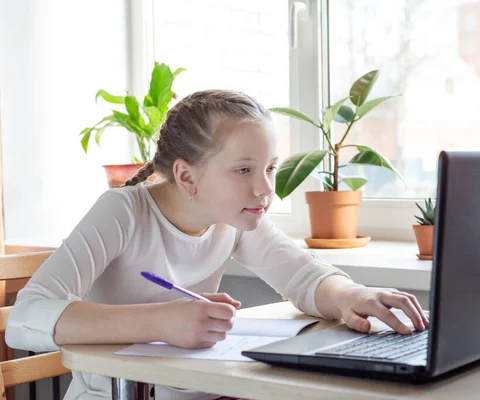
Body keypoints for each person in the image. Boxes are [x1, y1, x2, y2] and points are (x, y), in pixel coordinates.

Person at [6, 90, 429, 399]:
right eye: (243, 169)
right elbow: (28, 314)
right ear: (187, 177)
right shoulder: (123, 211)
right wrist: (159, 322)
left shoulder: (234, 217)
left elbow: (302, 276)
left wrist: (353, 296)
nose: (266, 188)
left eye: (270, 168)